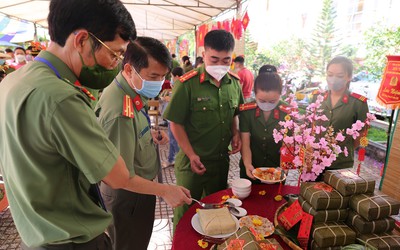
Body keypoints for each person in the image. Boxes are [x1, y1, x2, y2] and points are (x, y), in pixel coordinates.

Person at [0, 0, 190, 249]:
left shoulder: (14, 81)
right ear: (80, 41)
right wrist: (165, 190)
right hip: (72, 239)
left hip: (35, 233)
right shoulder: (62, 97)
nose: (115, 64)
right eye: (114, 53)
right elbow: (118, 175)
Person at [95, 37, 190, 250]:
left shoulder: (129, 89)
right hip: (129, 197)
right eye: (153, 76)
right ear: (129, 69)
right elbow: (120, 177)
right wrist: (165, 190)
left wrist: (150, 133)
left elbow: (133, 131)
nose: (158, 82)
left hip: (140, 190)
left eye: (163, 76)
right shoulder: (119, 111)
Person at [164, 29, 244, 230]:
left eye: (226, 60)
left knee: (216, 208)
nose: (219, 65)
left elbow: (234, 113)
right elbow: (175, 122)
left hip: (220, 161)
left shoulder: (234, 83)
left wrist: (235, 133)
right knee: (185, 210)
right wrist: (191, 155)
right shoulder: (187, 84)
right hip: (192, 162)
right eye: (214, 59)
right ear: (204, 53)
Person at [313, 56, 369, 171]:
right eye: (330, 74)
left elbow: (361, 134)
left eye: (339, 76)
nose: (333, 79)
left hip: (340, 163)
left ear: (349, 77)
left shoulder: (358, 103)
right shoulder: (317, 97)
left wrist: (342, 148)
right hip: (314, 162)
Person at [239, 73, 290, 182]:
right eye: (261, 101)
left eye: (272, 101)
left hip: (277, 168)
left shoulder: (287, 113)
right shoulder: (247, 111)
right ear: (255, 94)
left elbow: (288, 145)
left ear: (280, 94)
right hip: (252, 165)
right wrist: (247, 164)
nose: (267, 104)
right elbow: (245, 143)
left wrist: (284, 167)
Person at [160, 66, 184, 168]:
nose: (171, 79)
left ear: (177, 77)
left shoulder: (181, 86)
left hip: (175, 118)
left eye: (172, 77)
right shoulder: (179, 85)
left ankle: (179, 160)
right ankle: (172, 159)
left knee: (174, 140)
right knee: (173, 140)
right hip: (173, 118)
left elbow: (178, 100)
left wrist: (168, 99)